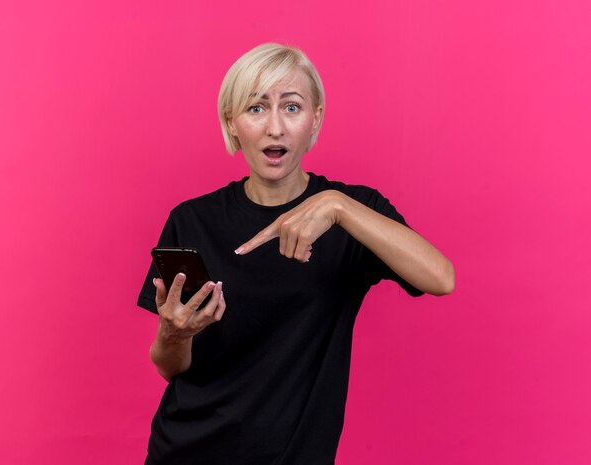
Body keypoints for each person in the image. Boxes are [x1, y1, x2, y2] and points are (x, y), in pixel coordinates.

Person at [137, 42, 454, 465]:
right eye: (255, 108)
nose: (275, 128)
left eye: (291, 107)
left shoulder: (354, 214)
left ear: (314, 119)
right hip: (186, 452)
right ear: (232, 124)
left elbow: (440, 278)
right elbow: (170, 367)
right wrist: (175, 334)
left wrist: (338, 206)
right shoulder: (191, 220)